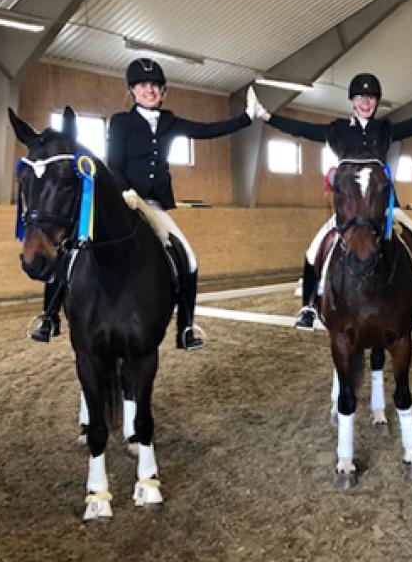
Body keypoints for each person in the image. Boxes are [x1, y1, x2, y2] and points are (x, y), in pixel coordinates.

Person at [30, 57, 253, 350]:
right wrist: (124, 191)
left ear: (162, 92)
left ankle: (185, 327)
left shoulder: (171, 122)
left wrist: (247, 117)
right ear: (133, 91)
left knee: (188, 257)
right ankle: (49, 317)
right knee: (72, 249)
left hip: (154, 205)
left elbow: (208, 130)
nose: (150, 90)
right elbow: (114, 163)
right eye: (143, 86)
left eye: (155, 86)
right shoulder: (121, 122)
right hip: (122, 199)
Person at [254, 71, 412, 332]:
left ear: (377, 102)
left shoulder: (385, 130)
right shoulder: (338, 131)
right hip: (350, 209)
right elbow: (303, 130)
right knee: (313, 251)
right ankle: (309, 306)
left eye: (370, 98)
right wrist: (268, 117)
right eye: (360, 98)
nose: (365, 103)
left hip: (385, 207)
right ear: (352, 102)